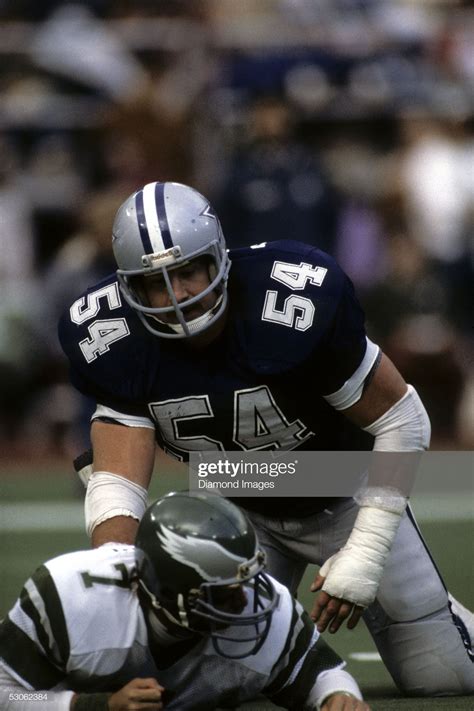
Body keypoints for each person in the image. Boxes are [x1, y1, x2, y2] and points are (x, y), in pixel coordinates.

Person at [58, 181, 474, 696]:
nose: (179, 296)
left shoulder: (290, 300)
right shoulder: (112, 339)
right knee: (206, 684)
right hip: (233, 510)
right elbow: (117, 481)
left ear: (218, 258)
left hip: (344, 492)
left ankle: (438, 609)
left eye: (188, 270)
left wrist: (366, 550)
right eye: (155, 283)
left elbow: (404, 420)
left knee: (443, 679)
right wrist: (117, 582)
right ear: (127, 289)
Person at [0, 491, 369, 711]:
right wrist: (93, 706)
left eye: (246, 581)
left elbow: (322, 673)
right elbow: (7, 697)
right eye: (224, 593)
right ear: (171, 591)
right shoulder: (71, 599)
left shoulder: (265, 603)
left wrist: (339, 695)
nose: (246, 601)